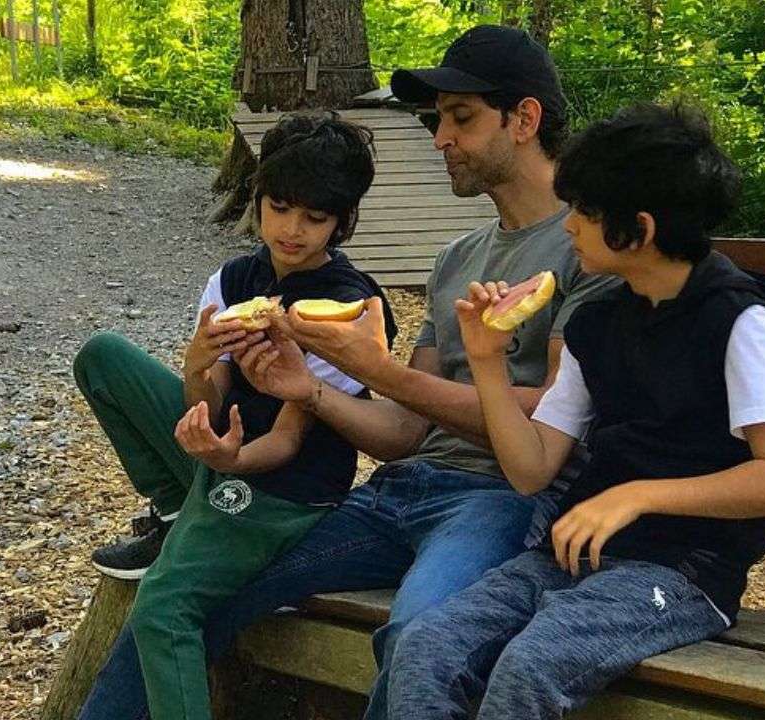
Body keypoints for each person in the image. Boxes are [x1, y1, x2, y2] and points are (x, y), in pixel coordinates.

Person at [78, 25, 617, 720]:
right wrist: (311, 392)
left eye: (460, 118)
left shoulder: (585, 249)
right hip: (398, 492)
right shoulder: (458, 256)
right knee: (185, 590)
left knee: (419, 634)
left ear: (525, 119)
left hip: (499, 500)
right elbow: (400, 435)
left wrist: (378, 371)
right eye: (436, 122)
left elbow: (549, 416)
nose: (439, 140)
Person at [385, 102, 765, 719]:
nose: (568, 228)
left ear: (637, 229)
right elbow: (533, 469)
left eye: (584, 214)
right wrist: (486, 360)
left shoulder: (738, 321)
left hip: (682, 570)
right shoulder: (597, 322)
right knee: (428, 645)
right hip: (573, 557)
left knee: (529, 667)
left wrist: (637, 495)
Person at [72, 111, 398, 720]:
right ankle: (175, 510)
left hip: (283, 485)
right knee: (104, 357)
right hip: (224, 453)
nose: (292, 230)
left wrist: (231, 460)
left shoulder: (349, 308)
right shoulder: (234, 279)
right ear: (258, 198)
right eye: (279, 207)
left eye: (315, 217)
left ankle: (195, 519)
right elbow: (208, 402)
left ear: (343, 220)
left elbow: (287, 442)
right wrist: (198, 363)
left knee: (165, 606)